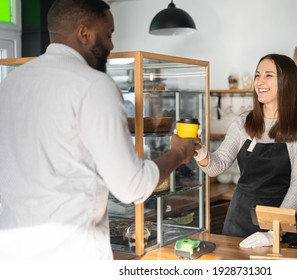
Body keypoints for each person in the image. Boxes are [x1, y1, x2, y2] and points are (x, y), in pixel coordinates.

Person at [0, 0, 198, 259]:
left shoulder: (10, 84)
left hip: (12, 254)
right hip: (69, 257)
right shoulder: (93, 85)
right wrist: (179, 153)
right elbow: (132, 187)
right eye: (108, 34)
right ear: (84, 33)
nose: (112, 45)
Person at [194, 54, 297, 247]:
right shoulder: (243, 122)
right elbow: (217, 166)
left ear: (287, 82)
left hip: (281, 220)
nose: (260, 81)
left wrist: (274, 232)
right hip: (239, 219)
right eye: (258, 75)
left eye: (269, 75)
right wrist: (199, 152)